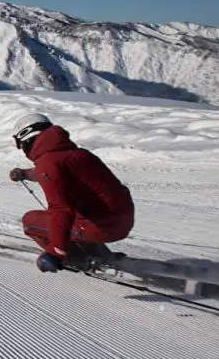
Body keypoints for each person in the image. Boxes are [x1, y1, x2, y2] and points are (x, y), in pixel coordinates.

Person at [9, 113, 134, 273]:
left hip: (101, 228)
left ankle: (76, 259)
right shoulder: (76, 154)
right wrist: (25, 174)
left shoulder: (49, 163)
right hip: (123, 220)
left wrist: (55, 252)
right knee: (76, 215)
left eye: (19, 144)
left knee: (30, 221)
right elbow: (53, 173)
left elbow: (61, 211)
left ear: (26, 137)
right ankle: (96, 251)